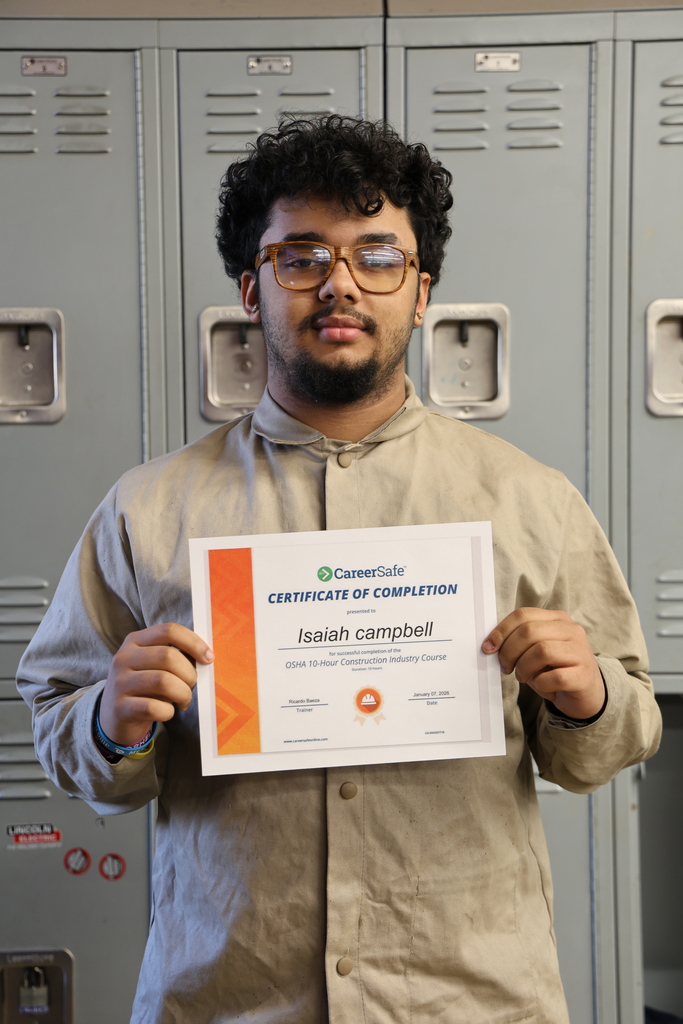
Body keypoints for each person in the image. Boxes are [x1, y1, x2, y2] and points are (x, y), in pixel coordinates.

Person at [18, 116, 661, 1024]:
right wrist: (109, 722)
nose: (341, 286)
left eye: (377, 256)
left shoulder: (529, 500)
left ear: (421, 288)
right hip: (226, 1001)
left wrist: (588, 696)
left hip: (470, 1003)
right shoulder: (147, 508)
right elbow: (63, 730)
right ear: (252, 287)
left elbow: (619, 737)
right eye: (302, 257)